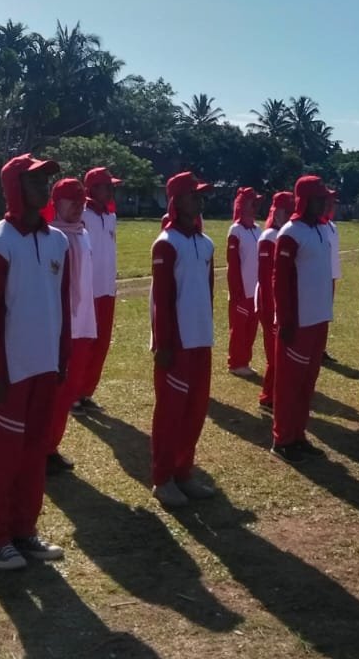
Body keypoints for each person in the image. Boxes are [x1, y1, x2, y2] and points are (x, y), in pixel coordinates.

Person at [0, 154, 70, 569]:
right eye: (34, 181)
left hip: (45, 367)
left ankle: (24, 528)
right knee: (1, 458)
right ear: (15, 187)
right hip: (9, 374)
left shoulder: (58, 241)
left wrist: (62, 358)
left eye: (46, 180)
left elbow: (62, 305)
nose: (44, 188)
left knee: (33, 455)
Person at [149, 172, 218, 507]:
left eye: (200, 195)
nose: (199, 200)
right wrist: (163, 344)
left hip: (201, 339)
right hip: (176, 344)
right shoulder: (166, 243)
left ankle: (184, 472)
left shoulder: (206, 244)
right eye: (193, 195)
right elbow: (161, 300)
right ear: (176, 201)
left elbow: (208, 292)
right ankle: (163, 479)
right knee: (170, 413)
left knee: (195, 410)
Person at [271, 175, 336, 462]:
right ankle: (283, 439)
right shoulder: (290, 232)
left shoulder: (321, 229)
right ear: (305, 200)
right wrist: (285, 320)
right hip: (298, 322)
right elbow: (280, 280)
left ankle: (298, 434)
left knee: (307, 382)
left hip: (319, 318)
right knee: (289, 384)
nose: (324, 203)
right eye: (320, 199)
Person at [45, 177, 97, 474]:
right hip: (59, 327)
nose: (78, 207)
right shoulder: (51, 237)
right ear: (56, 203)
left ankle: (52, 445)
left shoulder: (83, 233)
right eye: (71, 202)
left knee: (69, 390)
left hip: (82, 324)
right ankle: (41, 448)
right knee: (52, 392)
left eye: (81, 202)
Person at [74, 166, 122, 413]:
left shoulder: (110, 215)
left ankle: (86, 391)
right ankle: (72, 393)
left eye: (112, 186)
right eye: (106, 186)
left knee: (101, 343)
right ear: (92, 189)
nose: (111, 191)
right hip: (87, 289)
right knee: (84, 343)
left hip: (106, 289)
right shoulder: (82, 214)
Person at [255, 191, 294, 413]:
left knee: (282, 353)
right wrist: (274, 308)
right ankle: (268, 396)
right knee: (275, 353)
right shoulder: (269, 237)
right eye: (285, 211)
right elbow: (265, 278)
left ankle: (278, 394)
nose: (289, 215)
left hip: (280, 303)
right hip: (269, 302)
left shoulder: (285, 234)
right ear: (276, 212)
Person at [225, 187, 264, 377]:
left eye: (256, 202)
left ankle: (245, 361)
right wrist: (236, 291)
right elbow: (232, 264)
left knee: (251, 329)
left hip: (255, 291)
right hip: (241, 291)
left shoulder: (258, 229)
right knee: (239, 329)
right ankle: (235, 363)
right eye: (251, 202)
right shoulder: (236, 230)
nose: (255, 206)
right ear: (242, 205)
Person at [321, 192, 341, 364]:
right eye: (328, 202)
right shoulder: (318, 225)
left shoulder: (332, 226)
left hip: (331, 276)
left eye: (333, 203)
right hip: (320, 277)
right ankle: (316, 347)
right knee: (318, 313)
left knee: (326, 313)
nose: (331, 206)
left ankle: (321, 347)